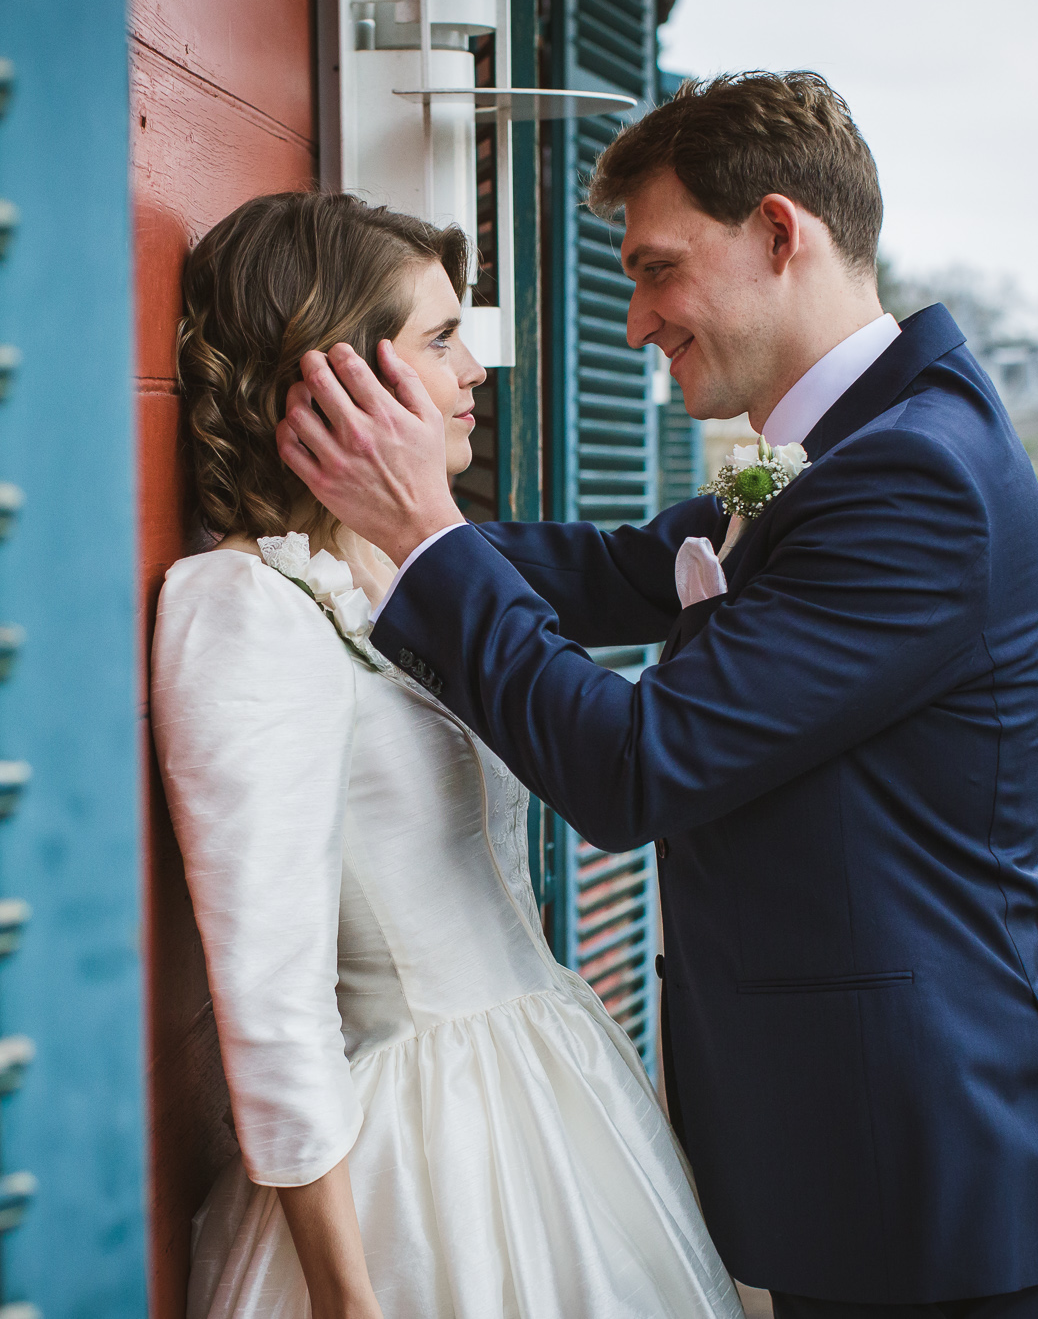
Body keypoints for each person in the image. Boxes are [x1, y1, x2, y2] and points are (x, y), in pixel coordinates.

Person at [274, 72, 1038, 1319]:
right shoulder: (857, 444)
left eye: (654, 269)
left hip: (945, 1191)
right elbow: (625, 569)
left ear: (778, 233)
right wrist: (353, 522)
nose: (633, 320)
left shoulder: (912, 477)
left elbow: (634, 767)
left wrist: (424, 536)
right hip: (865, 1168)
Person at [152, 192, 744, 1319]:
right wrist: (345, 1297)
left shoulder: (399, 576)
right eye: (437, 339)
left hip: (545, 1095)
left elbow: (617, 571)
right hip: (412, 1174)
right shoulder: (244, 608)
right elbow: (270, 1002)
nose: (475, 370)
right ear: (330, 379)